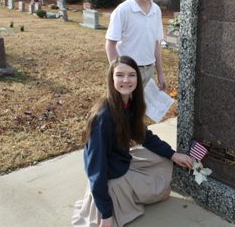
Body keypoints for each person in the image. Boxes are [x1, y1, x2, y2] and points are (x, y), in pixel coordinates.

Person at [72, 56, 193, 227]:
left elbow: (144, 136)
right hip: (111, 175)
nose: (126, 80)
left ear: (138, 77)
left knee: (163, 162)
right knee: (161, 193)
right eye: (120, 75)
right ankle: (122, 197)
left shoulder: (130, 103)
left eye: (131, 75)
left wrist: (173, 154)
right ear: (111, 78)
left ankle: (136, 191)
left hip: (123, 160)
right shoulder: (102, 117)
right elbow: (95, 168)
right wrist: (106, 214)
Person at [105, 0, 167, 90]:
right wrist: (118, 72)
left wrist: (160, 73)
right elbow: (110, 44)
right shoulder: (123, 10)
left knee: (145, 108)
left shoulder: (156, 10)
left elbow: (156, 43)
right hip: (128, 70)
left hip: (149, 69)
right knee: (126, 108)